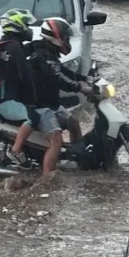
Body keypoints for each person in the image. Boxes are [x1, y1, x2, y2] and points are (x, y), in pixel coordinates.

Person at [30, 17, 94, 176]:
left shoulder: (49, 54)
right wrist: (79, 87)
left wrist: (85, 79)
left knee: (73, 123)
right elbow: (58, 77)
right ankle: (47, 179)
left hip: (50, 104)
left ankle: (77, 160)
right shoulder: (43, 56)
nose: (67, 41)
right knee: (56, 141)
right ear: (56, 37)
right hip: (40, 107)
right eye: (65, 38)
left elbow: (64, 72)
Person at [0, 8, 39, 171]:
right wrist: (33, 100)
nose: (29, 29)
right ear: (18, 26)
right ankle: (16, 151)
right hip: (6, 101)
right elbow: (25, 78)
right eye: (27, 25)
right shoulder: (15, 48)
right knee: (34, 117)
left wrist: (36, 46)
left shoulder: (2, 44)